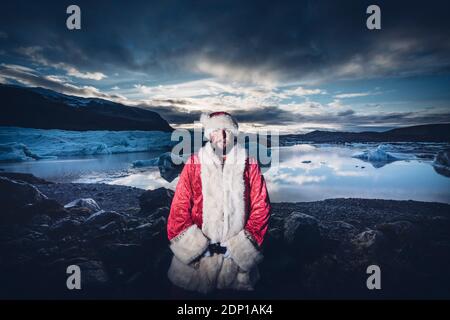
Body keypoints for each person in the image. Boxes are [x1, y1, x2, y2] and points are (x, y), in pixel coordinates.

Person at [166, 111, 271, 294]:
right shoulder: (194, 163)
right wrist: (196, 247)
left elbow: (261, 207)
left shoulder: (249, 164)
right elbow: (179, 208)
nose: (222, 136)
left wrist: (240, 248)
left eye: (227, 131)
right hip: (196, 265)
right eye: (216, 130)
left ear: (234, 134)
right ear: (209, 134)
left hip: (236, 265)